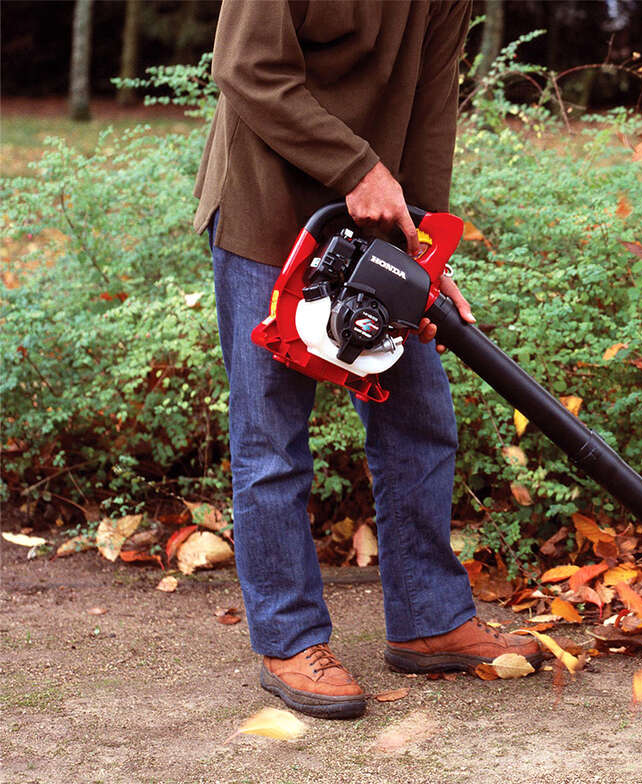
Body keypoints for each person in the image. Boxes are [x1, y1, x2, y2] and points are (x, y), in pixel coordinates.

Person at [193, 0, 541, 720]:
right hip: (266, 206)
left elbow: (430, 104)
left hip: (375, 219)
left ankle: (429, 620)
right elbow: (246, 68)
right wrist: (356, 166)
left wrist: (422, 248)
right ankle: (289, 641)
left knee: (418, 416)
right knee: (272, 440)